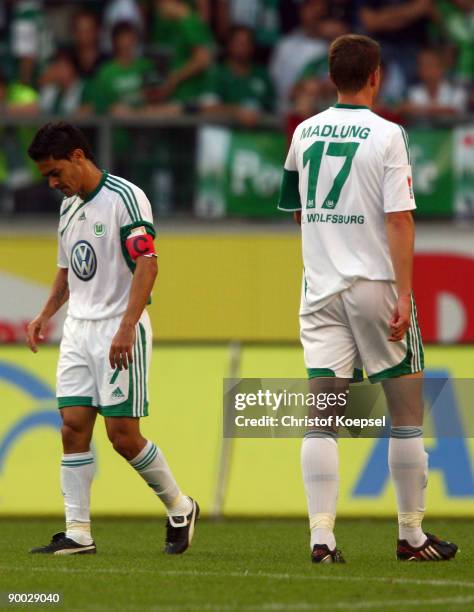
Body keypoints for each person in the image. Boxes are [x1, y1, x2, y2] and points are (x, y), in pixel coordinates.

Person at [277, 34, 458, 563]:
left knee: (322, 414)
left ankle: (322, 539)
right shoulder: (388, 134)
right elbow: (399, 218)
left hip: (320, 288)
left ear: (332, 76)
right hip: (374, 286)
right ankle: (410, 535)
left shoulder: (304, 132)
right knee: (405, 413)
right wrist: (403, 293)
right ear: (376, 75)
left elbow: (296, 210)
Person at [26, 122, 199, 555]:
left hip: (118, 329)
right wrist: (46, 313)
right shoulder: (68, 208)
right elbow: (68, 269)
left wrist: (126, 327)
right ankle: (78, 532)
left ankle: (179, 506)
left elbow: (148, 265)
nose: (52, 183)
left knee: (122, 435)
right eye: (46, 176)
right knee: (72, 427)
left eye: (55, 172)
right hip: (79, 331)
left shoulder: (126, 198)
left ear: (79, 157)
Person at [201, 25, 274, 126]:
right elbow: (207, 108)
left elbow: (272, 107)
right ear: (229, 45)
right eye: (238, 42)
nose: (242, 47)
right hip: (224, 135)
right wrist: (237, 111)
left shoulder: (261, 75)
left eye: (246, 43)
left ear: (252, 47)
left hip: (259, 135)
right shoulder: (217, 74)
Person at [403, 47, 468, 118]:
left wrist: (418, 108)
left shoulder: (457, 92)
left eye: (429, 65)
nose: (424, 69)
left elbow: (452, 110)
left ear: (441, 68)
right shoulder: (414, 92)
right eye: (421, 65)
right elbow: (403, 109)